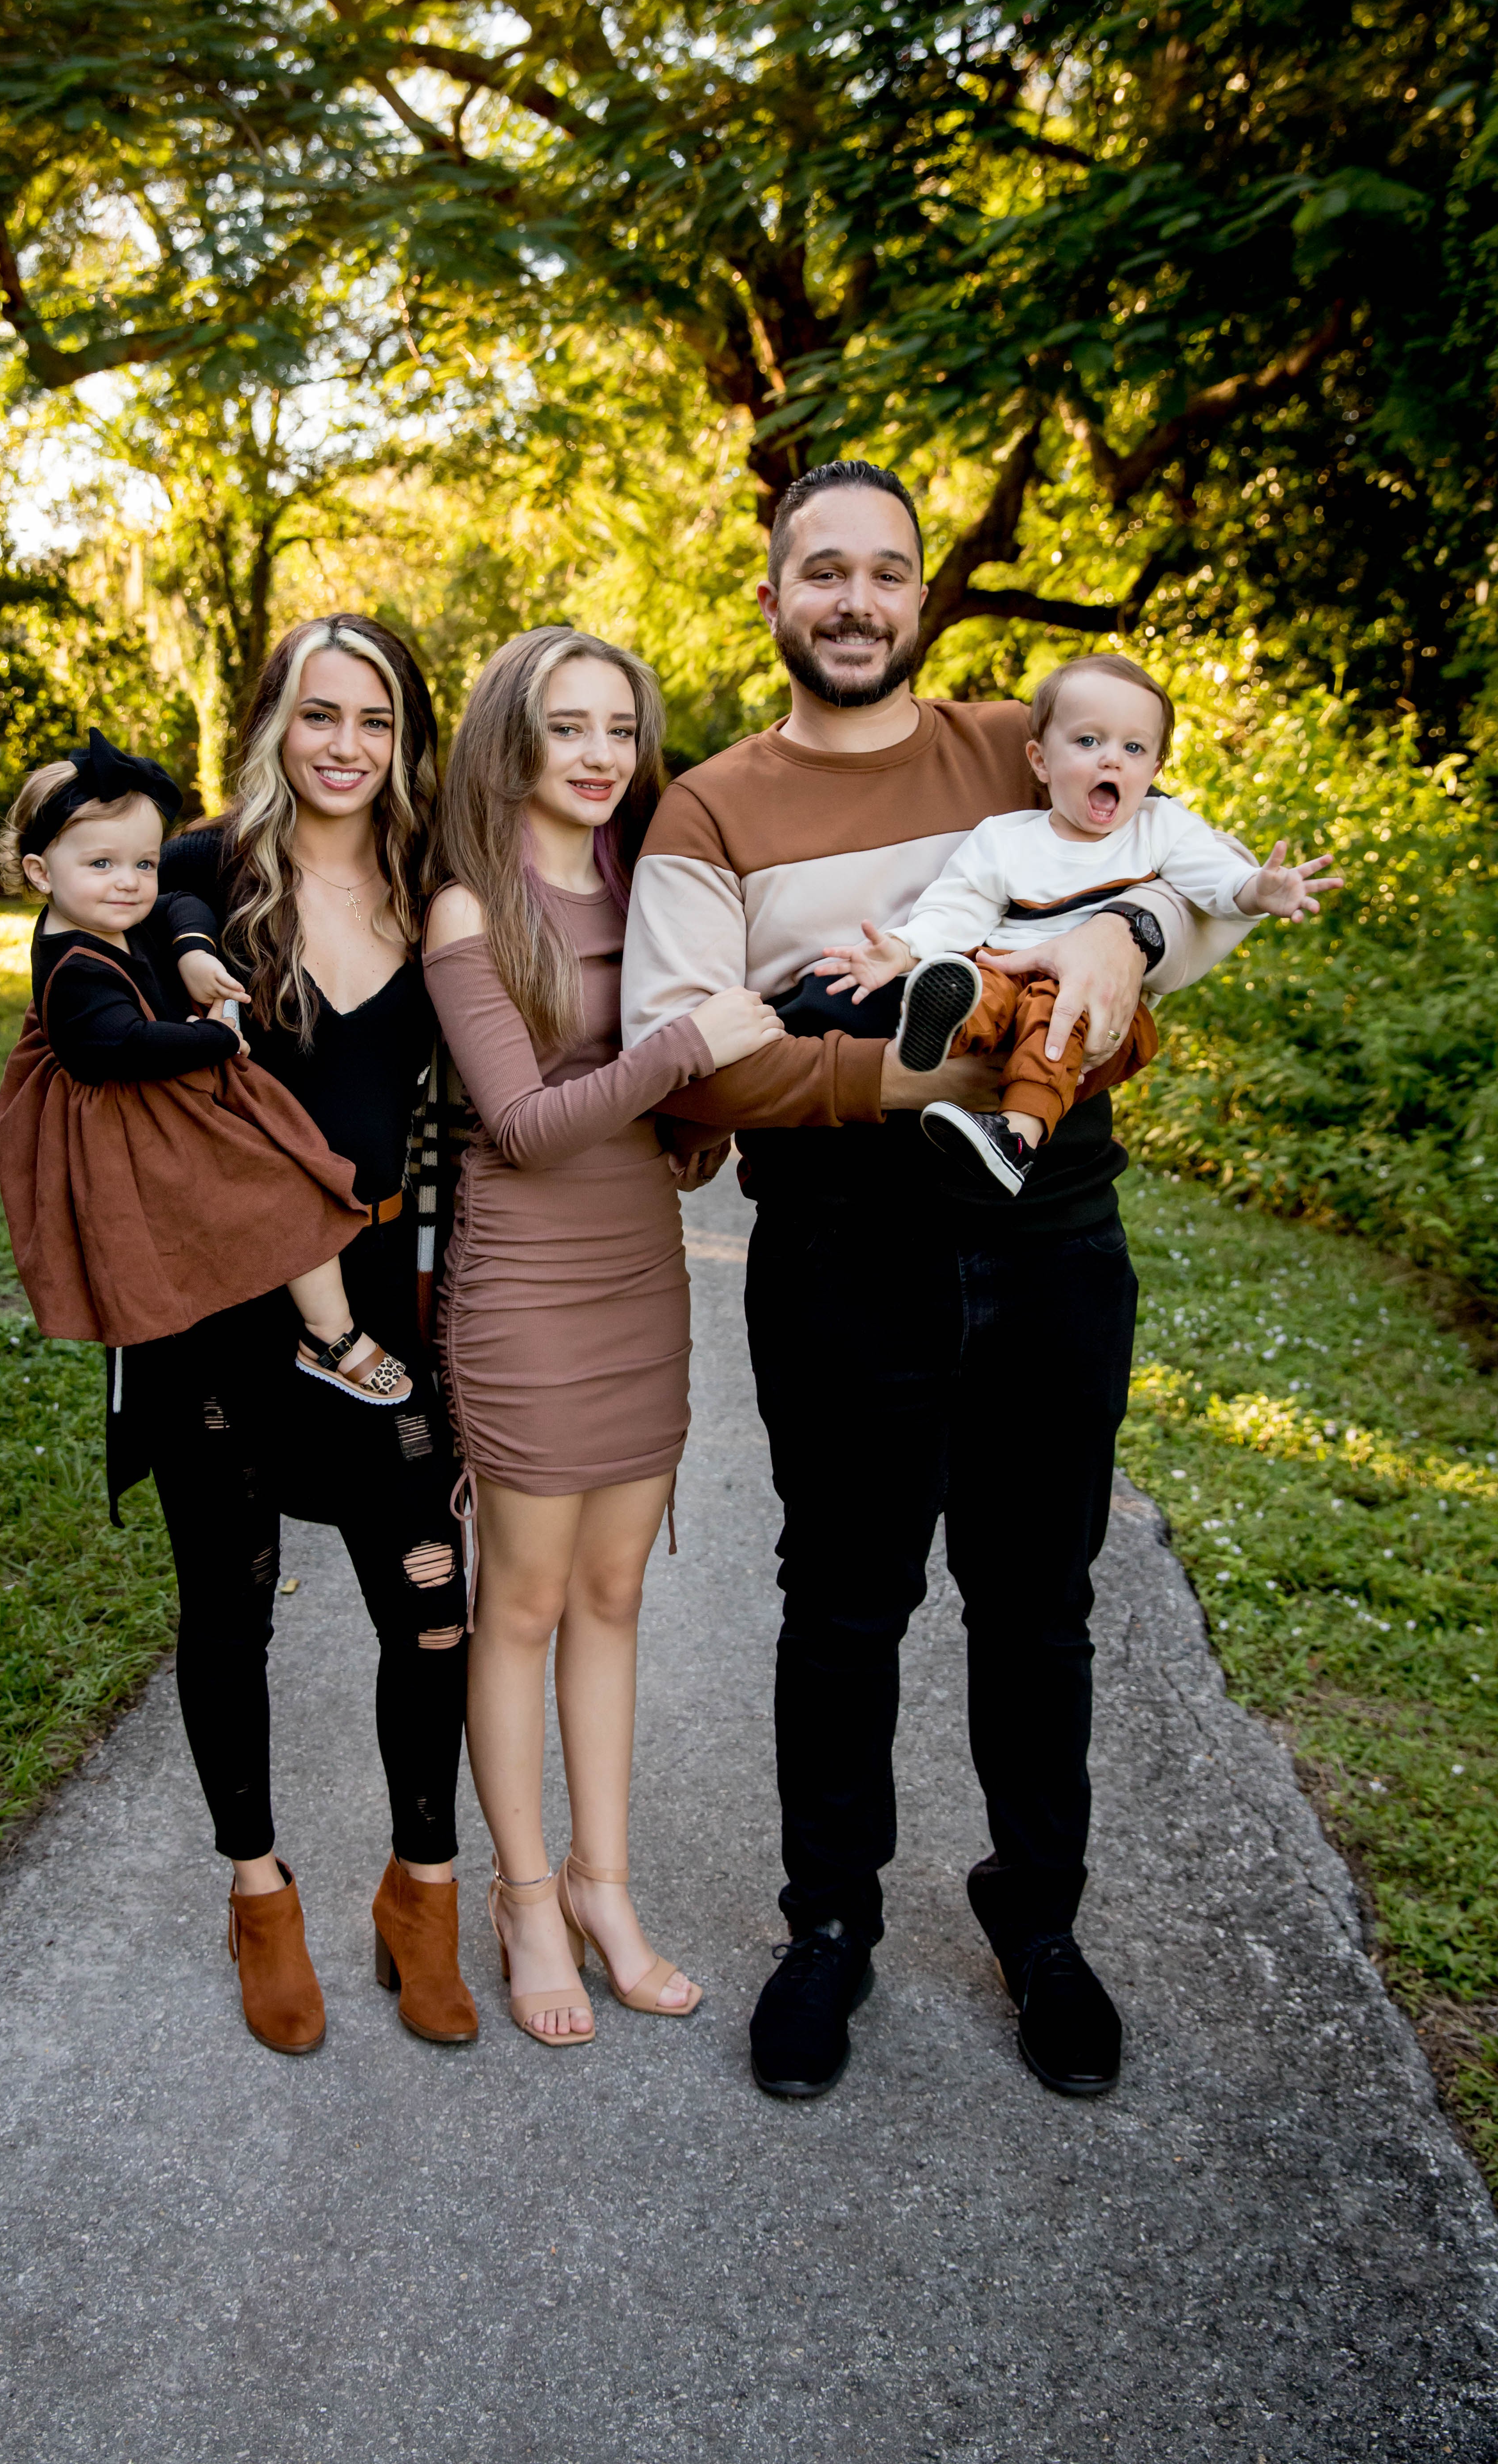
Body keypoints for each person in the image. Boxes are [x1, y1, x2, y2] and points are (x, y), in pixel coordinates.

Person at [620, 459, 1251, 2103]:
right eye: (819, 571)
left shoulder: (1013, 741)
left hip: (1053, 1233)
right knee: (844, 1603)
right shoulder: (709, 810)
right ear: (770, 598)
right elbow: (687, 1066)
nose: (853, 599)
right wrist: (909, 1087)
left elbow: (1199, 879)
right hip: (841, 1243)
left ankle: (1038, 1926)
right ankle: (828, 1926)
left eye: (884, 572)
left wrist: (1116, 937)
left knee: (1038, 1603)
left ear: (921, 597)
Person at [422, 628, 782, 2045]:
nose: (595, 755)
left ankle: (602, 1883)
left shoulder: (655, 891)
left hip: (639, 1261)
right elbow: (519, 1123)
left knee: (617, 1592)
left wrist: (699, 1114)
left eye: (619, 728)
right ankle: (521, 1892)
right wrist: (688, 1050)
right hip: (523, 1281)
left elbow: (656, 1105)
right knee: (521, 1599)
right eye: (565, 727)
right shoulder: (469, 913)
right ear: (509, 742)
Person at [134, 614, 476, 2056]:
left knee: (433, 1604)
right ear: (272, 722)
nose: (346, 746)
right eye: (319, 715)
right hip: (216, 1307)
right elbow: (70, 948)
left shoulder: (431, 879)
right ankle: (258, 1891)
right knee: (230, 1603)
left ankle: (423, 1889)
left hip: (379, 1298)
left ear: (407, 739)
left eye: (377, 720)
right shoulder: (199, 874)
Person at [811, 651, 1342, 1192]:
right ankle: (943, 1026)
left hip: (1102, 1007)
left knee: (1054, 1008)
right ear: (1040, 762)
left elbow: (1215, 879)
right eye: (1088, 742)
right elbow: (957, 907)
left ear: (1155, 770)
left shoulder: (1161, 829)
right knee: (980, 979)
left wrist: (1259, 890)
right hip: (1009, 969)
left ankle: (1015, 1138)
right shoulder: (1006, 838)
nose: (1110, 761)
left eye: (1133, 748)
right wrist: (902, 949)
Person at [0, 730, 412, 1400]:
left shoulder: (113, 914)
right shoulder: (73, 966)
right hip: (134, 1129)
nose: (130, 884)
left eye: (144, 863)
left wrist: (193, 950)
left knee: (286, 1189)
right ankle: (329, 1337)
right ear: (42, 874)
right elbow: (119, 1047)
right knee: (280, 1198)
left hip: (167, 1106)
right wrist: (217, 1040)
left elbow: (183, 905)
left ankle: (319, 1330)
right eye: (101, 864)